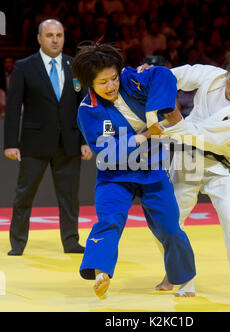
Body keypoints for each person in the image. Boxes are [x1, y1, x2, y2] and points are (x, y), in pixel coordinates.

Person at [71, 42, 196, 299]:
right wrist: (145, 135)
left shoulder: (130, 79)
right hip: (114, 176)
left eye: (113, 78)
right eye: (102, 82)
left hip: (152, 170)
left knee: (170, 228)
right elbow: (107, 154)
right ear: (90, 84)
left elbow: (163, 74)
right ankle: (101, 272)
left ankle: (182, 278)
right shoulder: (88, 111)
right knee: (109, 221)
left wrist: (154, 113)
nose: (111, 86)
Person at [155, 47, 230, 304]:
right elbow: (175, 76)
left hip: (220, 163)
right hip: (187, 159)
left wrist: (173, 123)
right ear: (227, 74)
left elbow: (208, 138)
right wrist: (153, 75)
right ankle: (179, 276)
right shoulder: (213, 76)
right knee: (169, 222)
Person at [3, 19, 92, 256]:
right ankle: (18, 243)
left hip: (69, 142)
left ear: (64, 37)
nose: (55, 40)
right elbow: (12, 108)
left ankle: (71, 241)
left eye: (59, 35)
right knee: (24, 195)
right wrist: (11, 143)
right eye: (50, 35)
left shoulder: (74, 66)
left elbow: (83, 106)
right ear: (39, 39)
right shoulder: (24, 66)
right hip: (34, 143)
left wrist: (85, 141)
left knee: (70, 197)